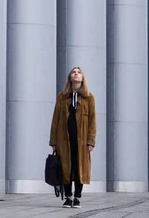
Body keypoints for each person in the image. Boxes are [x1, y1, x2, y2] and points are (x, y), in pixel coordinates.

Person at [49, 66, 97, 208]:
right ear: (70, 78)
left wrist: (91, 141)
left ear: (82, 78)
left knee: (80, 167)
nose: (76, 74)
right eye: (73, 73)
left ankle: (77, 197)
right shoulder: (62, 97)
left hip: (81, 141)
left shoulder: (89, 98)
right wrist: (53, 140)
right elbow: (55, 120)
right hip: (64, 139)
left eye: (79, 72)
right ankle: (68, 197)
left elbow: (92, 121)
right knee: (65, 167)